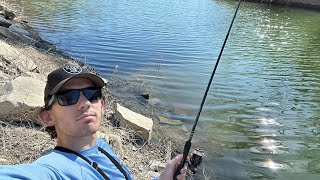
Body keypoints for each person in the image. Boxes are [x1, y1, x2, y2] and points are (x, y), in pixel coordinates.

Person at [0, 64, 187, 180]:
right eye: (68, 97)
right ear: (48, 117)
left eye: (92, 95)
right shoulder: (53, 169)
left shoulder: (102, 146)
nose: (85, 103)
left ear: (102, 105)